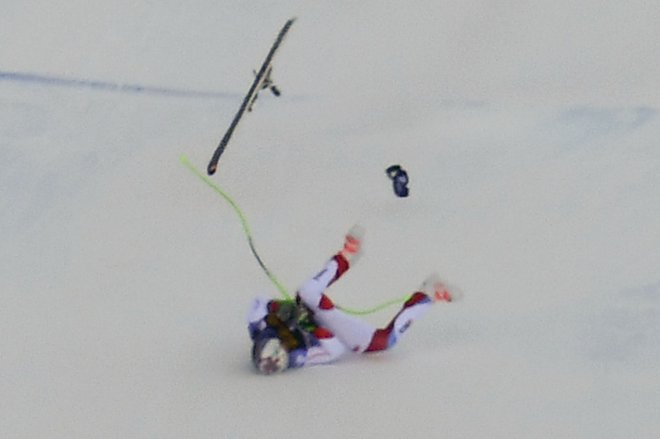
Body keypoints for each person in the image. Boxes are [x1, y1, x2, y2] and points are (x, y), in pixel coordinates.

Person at [247, 225, 458, 374]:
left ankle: (346, 255)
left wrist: (280, 307)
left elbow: (259, 301)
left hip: (308, 308)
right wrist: (309, 326)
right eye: (278, 363)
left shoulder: (257, 325)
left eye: (275, 355)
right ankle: (429, 295)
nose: (279, 358)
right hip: (329, 329)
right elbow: (334, 350)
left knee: (306, 292)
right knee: (383, 342)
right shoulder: (298, 357)